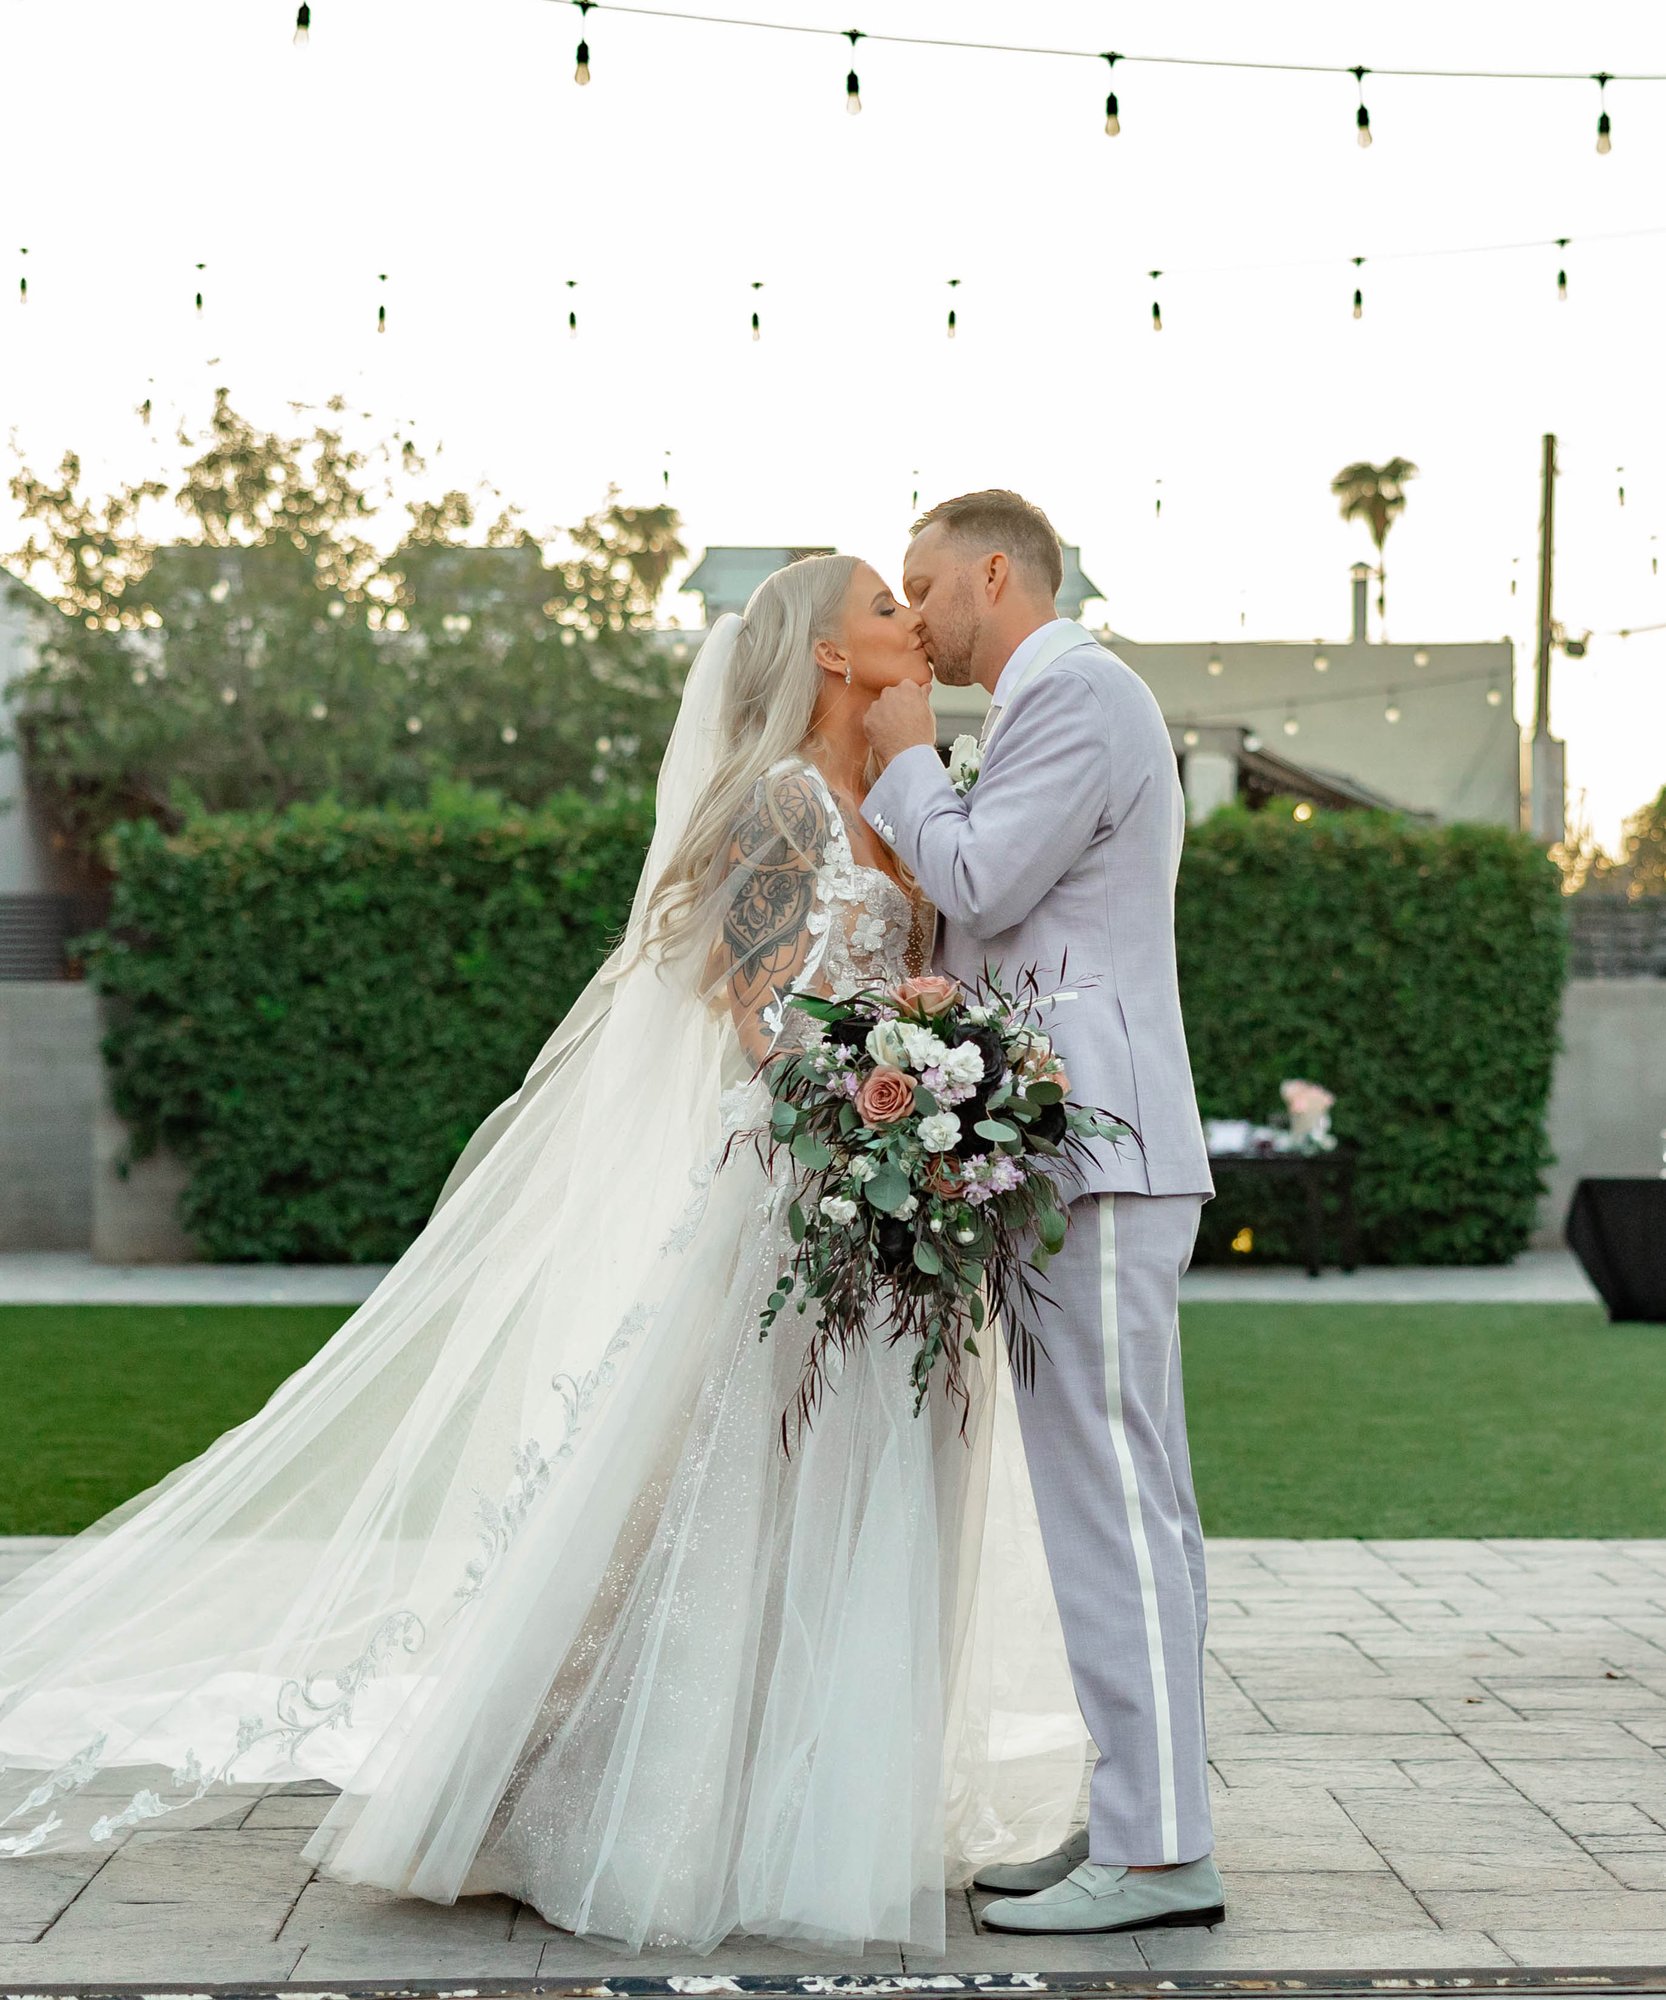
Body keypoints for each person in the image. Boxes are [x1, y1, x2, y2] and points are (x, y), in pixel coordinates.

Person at [0, 554, 1085, 1956]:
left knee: (869, 1503)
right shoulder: (775, 805)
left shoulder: (897, 799)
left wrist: (934, 1110)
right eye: (885, 608)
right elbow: (753, 1011)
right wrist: (869, 1112)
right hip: (794, 1200)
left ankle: (811, 1802)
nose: (912, 625)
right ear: (828, 656)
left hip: (898, 1203)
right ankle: (604, 1794)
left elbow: (921, 978)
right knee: (727, 1501)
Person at [862, 489, 1225, 1936]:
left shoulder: (1072, 692)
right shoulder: (1053, 702)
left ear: (994, 573)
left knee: (1116, 1499)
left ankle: (1155, 1856)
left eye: (923, 584)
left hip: (1103, 1154)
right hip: (1065, 1151)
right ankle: (1141, 1816)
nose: (914, 614)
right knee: (1121, 1496)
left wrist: (900, 762)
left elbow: (978, 874)